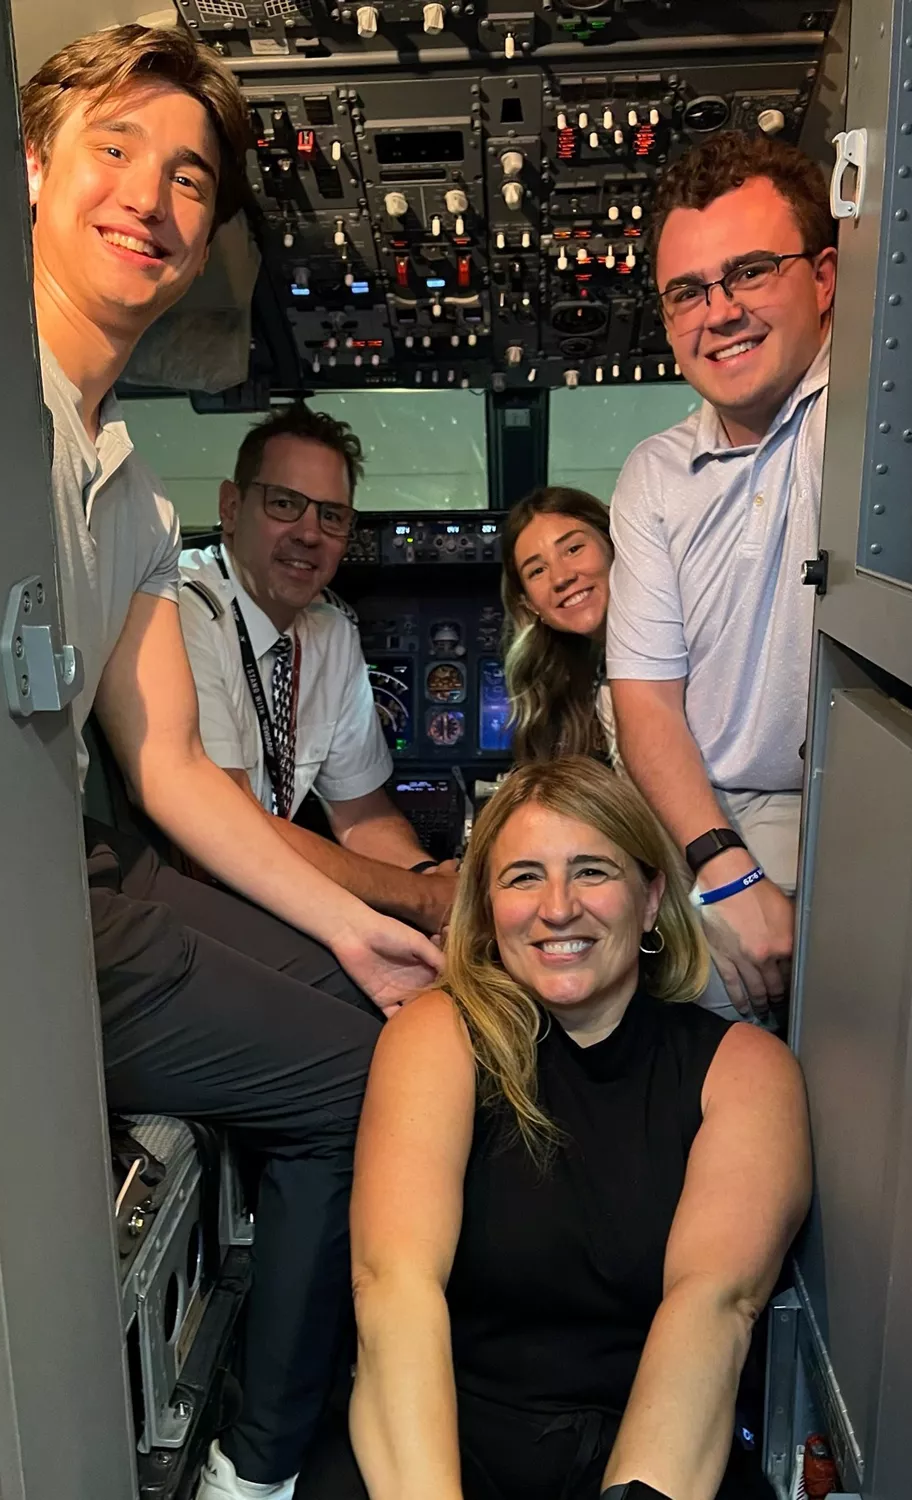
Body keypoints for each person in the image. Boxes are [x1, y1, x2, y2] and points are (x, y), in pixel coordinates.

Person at [21, 26, 442, 1500]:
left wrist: (372, 926)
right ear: (33, 164)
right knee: (362, 1081)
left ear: (208, 236)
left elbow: (180, 769)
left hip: (60, 882)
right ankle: (258, 1472)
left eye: (189, 178)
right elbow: (174, 815)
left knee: (378, 999)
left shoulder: (123, 492)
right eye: (116, 150)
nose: (151, 196)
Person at [349, 758, 810, 1500]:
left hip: (658, 1451)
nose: (557, 908)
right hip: (439, 1445)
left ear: (652, 894)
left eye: (592, 871)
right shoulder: (437, 1036)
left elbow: (714, 1305)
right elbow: (392, 1286)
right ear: (488, 904)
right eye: (523, 877)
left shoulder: (747, 1071)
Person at [606, 133, 837, 1020]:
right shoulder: (654, 475)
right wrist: (722, 866)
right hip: (694, 808)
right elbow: (648, 702)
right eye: (689, 292)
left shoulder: (861, 426)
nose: (721, 311)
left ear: (823, 279)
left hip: (823, 799)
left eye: (750, 272)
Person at [179, 403, 456, 931]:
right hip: (202, 901)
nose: (309, 533)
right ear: (231, 507)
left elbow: (361, 815)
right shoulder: (184, 613)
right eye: (285, 504)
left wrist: (433, 877)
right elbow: (228, 830)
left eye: (331, 515)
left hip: (269, 893)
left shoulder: (330, 631)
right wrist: (421, 899)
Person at [500, 485, 615, 764]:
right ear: (529, 604)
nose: (561, 577)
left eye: (573, 549)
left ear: (615, 546)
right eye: (537, 570)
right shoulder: (579, 689)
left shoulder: (687, 651)